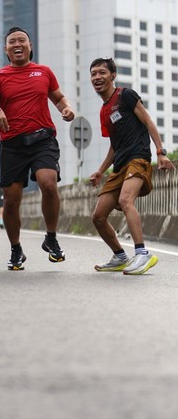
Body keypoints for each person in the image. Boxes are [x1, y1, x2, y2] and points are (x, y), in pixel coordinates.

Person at [0, 26, 75, 271]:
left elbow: (58, 98)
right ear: (6, 49)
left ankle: (51, 238)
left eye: (22, 40)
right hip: (12, 144)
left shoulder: (44, 72)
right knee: (12, 201)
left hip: (43, 139)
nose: (17, 44)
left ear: (30, 46)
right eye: (12, 41)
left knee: (48, 183)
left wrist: (66, 108)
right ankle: (16, 249)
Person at [89, 57, 174, 275]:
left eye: (102, 72)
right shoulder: (104, 110)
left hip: (138, 158)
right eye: (93, 73)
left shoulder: (125, 95)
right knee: (98, 216)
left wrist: (160, 152)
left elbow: (148, 121)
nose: (97, 77)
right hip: (120, 166)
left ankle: (142, 254)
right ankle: (119, 256)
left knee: (125, 200)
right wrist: (100, 171)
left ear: (113, 76)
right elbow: (114, 145)